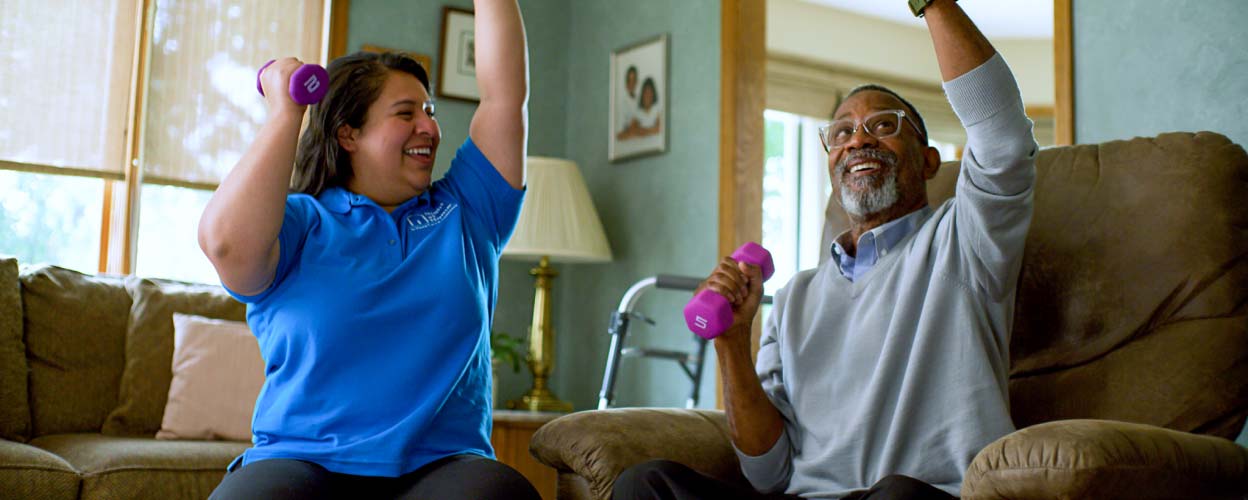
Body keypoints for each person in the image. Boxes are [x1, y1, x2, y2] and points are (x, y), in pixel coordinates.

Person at [613, 0, 1037, 499]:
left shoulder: (965, 241)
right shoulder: (795, 298)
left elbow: (1003, 134)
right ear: (831, 163)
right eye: (841, 132)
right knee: (647, 483)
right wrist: (731, 342)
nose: (858, 139)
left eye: (883, 126)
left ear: (928, 162)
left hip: (917, 495)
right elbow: (768, 475)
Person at [197, 1, 539, 499]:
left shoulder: (468, 210)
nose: (430, 127)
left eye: (430, 111)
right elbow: (226, 244)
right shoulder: (299, 223)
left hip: (443, 465)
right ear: (348, 134)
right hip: (303, 459)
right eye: (407, 113)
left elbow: (505, 97)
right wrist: (286, 112)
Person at [616, 65, 640, 138]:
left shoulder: (640, 99)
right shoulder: (623, 103)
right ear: (626, 84)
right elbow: (621, 131)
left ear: (637, 81)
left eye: (633, 80)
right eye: (629, 81)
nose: (631, 84)